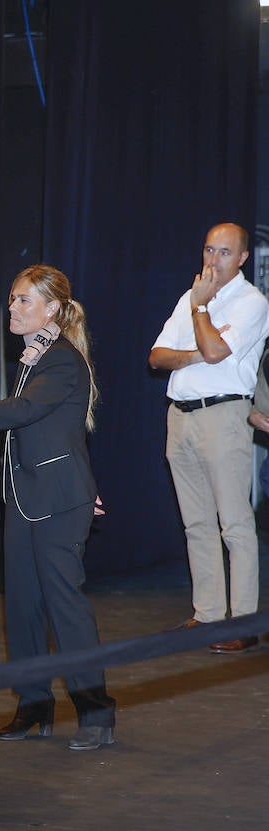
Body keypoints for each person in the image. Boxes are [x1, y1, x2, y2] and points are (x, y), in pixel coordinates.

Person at [0, 264, 116, 752]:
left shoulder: (59, 360)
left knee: (65, 606)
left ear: (52, 308)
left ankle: (96, 711)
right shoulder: (34, 357)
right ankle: (34, 706)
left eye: (24, 300)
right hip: (26, 499)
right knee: (22, 607)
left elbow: (21, 413)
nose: (13, 308)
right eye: (13, 299)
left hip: (58, 502)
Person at [149, 222, 269, 652]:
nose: (212, 260)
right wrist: (196, 351)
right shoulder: (189, 296)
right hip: (180, 417)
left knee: (234, 524)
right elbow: (157, 356)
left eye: (223, 252)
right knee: (196, 523)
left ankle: (242, 622)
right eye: (207, 250)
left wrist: (201, 312)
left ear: (241, 259)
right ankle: (208, 615)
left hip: (223, 416)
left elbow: (218, 353)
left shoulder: (251, 303)